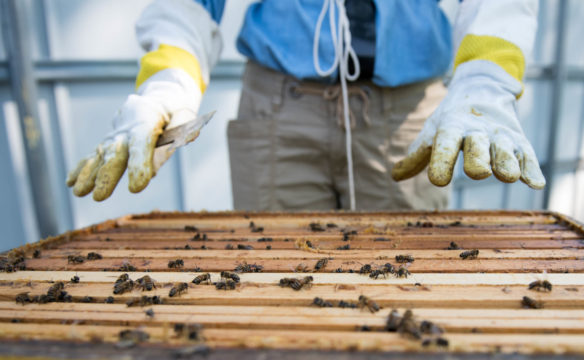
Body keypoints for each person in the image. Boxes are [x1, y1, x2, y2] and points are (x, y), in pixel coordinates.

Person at [66, 0, 545, 211]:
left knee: (407, 302)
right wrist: (166, 86)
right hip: (278, 108)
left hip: (407, 116)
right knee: (273, 289)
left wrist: (484, 83)